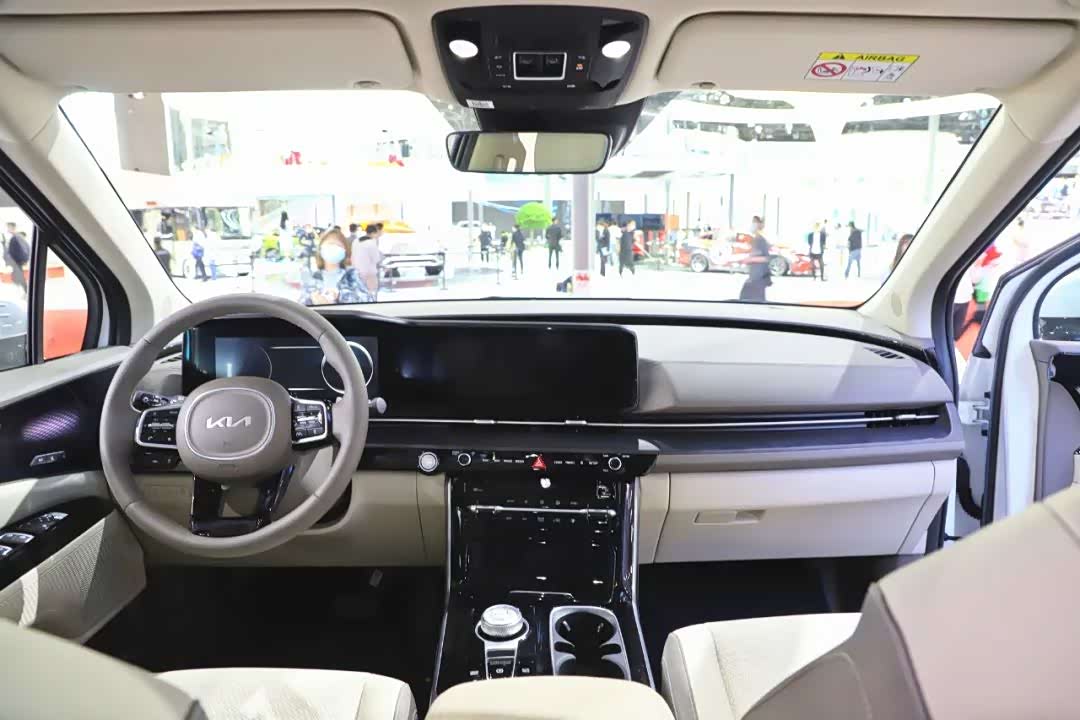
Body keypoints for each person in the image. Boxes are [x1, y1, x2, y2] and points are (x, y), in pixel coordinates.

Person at [300, 228, 374, 306]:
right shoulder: (312, 277)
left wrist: (340, 296)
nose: (333, 247)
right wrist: (313, 300)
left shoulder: (352, 276)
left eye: (338, 245)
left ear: (345, 251)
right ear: (320, 248)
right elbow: (300, 305)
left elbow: (368, 301)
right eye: (330, 243)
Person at [739, 216, 772, 302]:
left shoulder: (760, 240)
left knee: (747, 299)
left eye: (754, 222)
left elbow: (766, 258)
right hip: (755, 276)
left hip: (758, 276)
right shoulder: (753, 240)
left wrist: (749, 259)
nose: (752, 224)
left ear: (758, 225)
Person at [351, 223, 383, 298]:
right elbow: (376, 259)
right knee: (371, 294)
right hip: (369, 272)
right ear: (373, 233)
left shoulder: (356, 241)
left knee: (358, 293)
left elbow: (353, 255)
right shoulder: (371, 243)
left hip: (356, 271)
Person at [2, 221, 29, 297]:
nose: (7, 229)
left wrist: (23, 260)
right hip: (13, 262)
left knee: (19, 278)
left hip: (16, 262)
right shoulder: (12, 237)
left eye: (8, 227)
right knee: (16, 278)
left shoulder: (17, 237)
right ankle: (24, 293)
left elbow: (24, 249)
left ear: (12, 227)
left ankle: (26, 293)